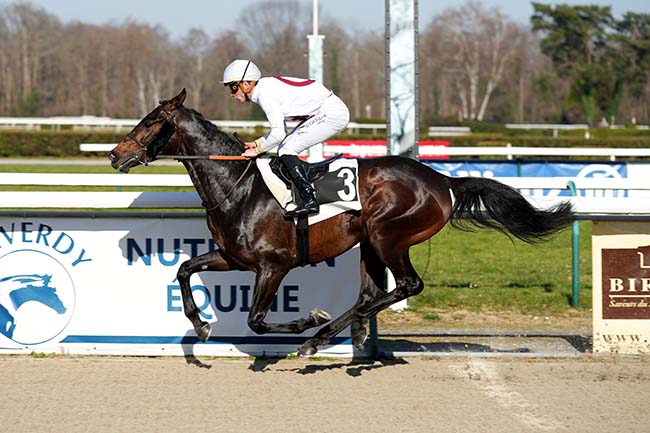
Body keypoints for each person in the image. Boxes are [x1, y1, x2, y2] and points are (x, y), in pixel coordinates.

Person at [221, 59, 350, 217]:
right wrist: (257, 143)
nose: (232, 93)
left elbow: (278, 134)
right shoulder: (264, 89)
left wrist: (257, 151)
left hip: (331, 113)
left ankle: (309, 199)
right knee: (284, 148)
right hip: (324, 111)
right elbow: (279, 130)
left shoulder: (264, 95)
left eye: (233, 87)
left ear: (246, 84)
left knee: (287, 150)